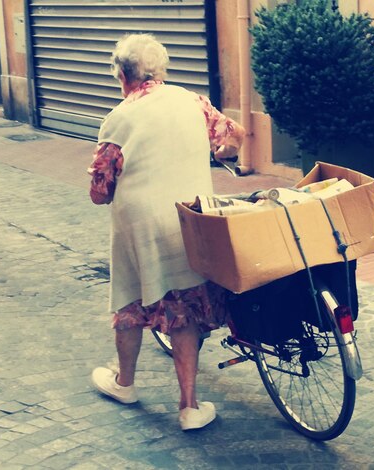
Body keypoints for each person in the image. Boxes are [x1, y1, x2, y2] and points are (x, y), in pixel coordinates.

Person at [89, 34, 245, 431]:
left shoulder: (119, 117)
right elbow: (234, 137)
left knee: (129, 298)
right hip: (188, 217)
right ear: (159, 71)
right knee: (184, 307)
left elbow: (99, 190)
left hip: (138, 223)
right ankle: (190, 407)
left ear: (123, 74)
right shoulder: (192, 101)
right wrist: (210, 153)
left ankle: (125, 383)